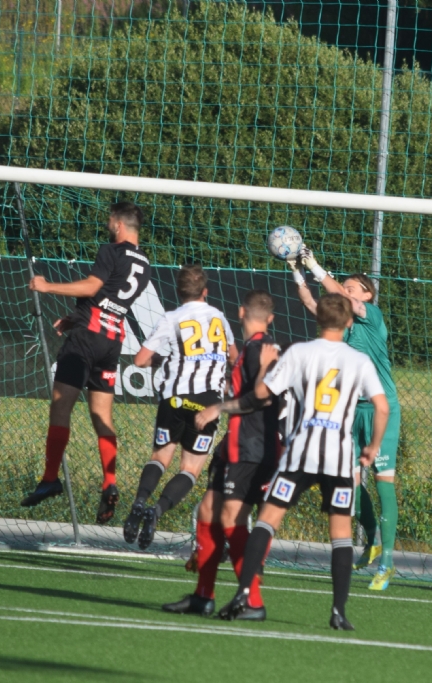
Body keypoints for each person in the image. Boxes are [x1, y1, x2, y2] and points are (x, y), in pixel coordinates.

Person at [218, 294, 389, 630]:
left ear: (317, 319)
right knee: (341, 535)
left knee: (267, 521)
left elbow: (262, 394)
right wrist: (373, 446)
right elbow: (382, 407)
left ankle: (242, 594)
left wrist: (258, 373)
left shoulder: (299, 353)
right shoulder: (359, 360)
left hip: (300, 454)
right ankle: (338, 612)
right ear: (348, 323)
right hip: (338, 459)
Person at [21, 202, 152, 524]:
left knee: (60, 406)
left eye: (109, 219)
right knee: (101, 415)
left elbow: (94, 287)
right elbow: (110, 299)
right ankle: (110, 482)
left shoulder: (111, 250)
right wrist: (76, 317)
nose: (107, 224)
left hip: (86, 341)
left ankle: (50, 478)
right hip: (112, 340)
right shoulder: (145, 263)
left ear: (118, 224)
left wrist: (48, 286)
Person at [160, 290, 280, 618]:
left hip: (252, 446)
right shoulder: (249, 349)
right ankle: (203, 596)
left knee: (231, 518)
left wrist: (219, 408)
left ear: (240, 312)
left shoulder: (260, 349)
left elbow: (264, 397)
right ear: (270, 318)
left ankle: (252, 601)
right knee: (207, 511)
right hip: (234, 444)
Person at [291, 248, 402, 590]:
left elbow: (340, 296)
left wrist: (314, 265)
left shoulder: (373, 317)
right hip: (351, 410)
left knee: (383, 482)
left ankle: (387, 563)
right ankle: (373, 536)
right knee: (349, 482)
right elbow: (311, 303)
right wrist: (296, 271)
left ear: (367, 295)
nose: (346, 290)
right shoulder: (342, 328)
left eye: (353, 287)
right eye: (346, 286)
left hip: (382, 410)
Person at [123, 265, 238, 550]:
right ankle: (157, 511)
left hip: (174, 398)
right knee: (189, 469)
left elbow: (140, 360)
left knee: (160, 458)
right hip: (207, 403)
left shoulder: (171, 317)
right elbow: (234, 357)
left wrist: (164, 361)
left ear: (178, 292)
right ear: (205, 291)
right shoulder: (218, 317)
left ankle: (139, 502)